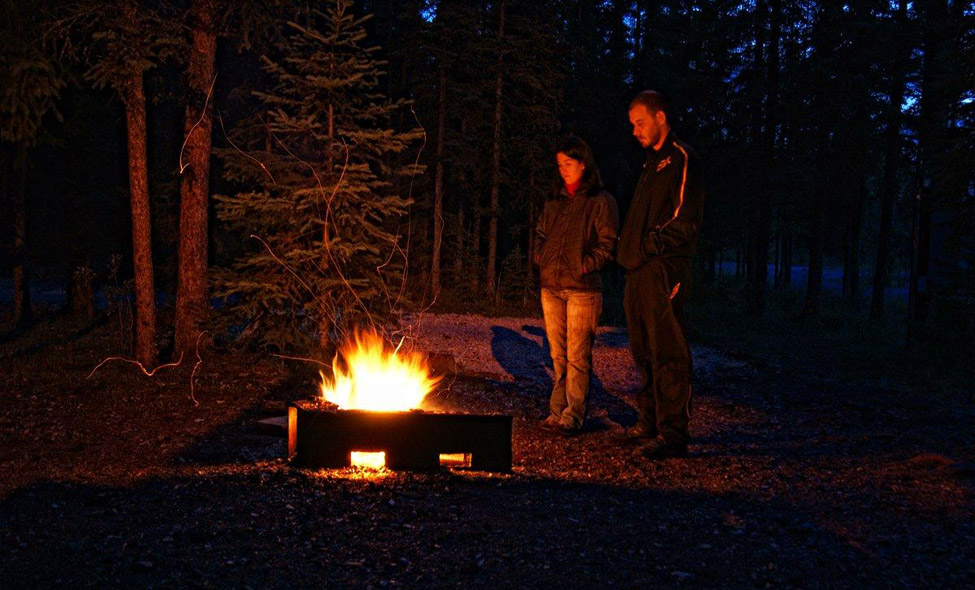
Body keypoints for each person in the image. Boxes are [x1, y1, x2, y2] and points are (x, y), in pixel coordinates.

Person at [617, 90, 705, 459]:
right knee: (643, 348)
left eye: (640, 122)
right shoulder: (650, 165)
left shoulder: (680, 158)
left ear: (660, 117)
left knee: (668, 348)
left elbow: (684, 219)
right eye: (632, 125)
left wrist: (650, 247)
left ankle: (673, 434)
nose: (635, 131)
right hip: (638, 270)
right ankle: (649, 420)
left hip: (664, 268)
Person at [533, 136, 618, 436]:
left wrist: (583, 265)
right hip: (551, 286)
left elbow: (608, 244)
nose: (563, 170)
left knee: (577, 355)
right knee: (558, 355)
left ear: (583, 163)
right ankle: (557, 410)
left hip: (582, 288)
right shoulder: (554, 200)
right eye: (560, 165)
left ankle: (573, 414)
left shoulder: (600, 201)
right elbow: (540, 233)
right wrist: (541, 256)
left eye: (569, 164)